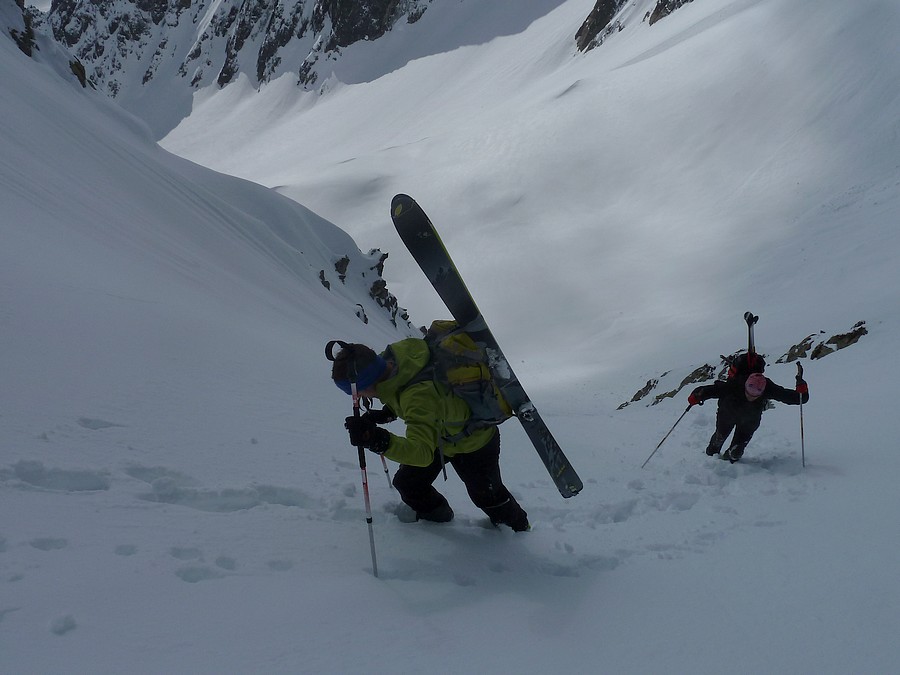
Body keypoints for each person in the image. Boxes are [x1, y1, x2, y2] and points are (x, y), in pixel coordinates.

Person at [329, 339, 529, 531]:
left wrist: (377, 440)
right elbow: (405, 390)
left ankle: (519, 529)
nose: (360, 398)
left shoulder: (418, 396)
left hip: (474, 441)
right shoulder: (394, 359)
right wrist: (387, 413)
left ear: (366, 384)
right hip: (439, 436)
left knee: (487, 497)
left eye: (359, 393)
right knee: (408, 483)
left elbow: (422, 453)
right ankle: (438, 519)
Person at [688, 366, 809, 463]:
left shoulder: (768, 387)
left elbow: (797, 398)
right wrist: (697, 396)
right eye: (749, 393)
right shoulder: (735, 384)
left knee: (736, 452)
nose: (751, 397)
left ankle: (730, 458)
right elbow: (710, 390)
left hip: (750, 421)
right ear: (746, 385)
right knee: (719, 438)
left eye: (756, 395)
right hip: (727, 414)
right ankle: (710, 457)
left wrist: (801, 386)